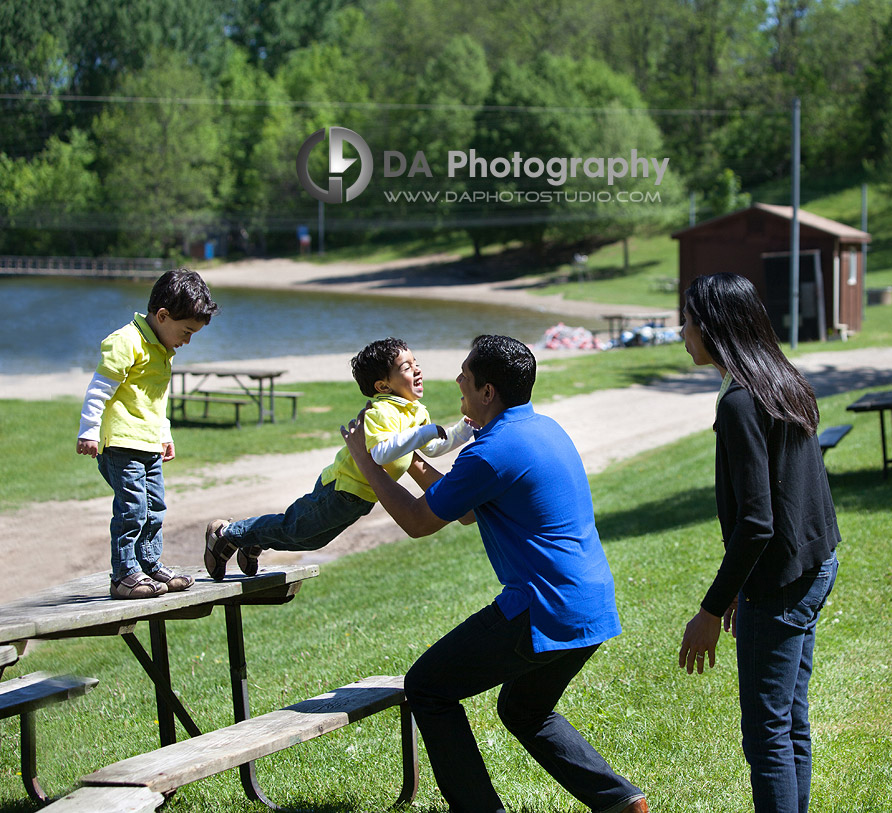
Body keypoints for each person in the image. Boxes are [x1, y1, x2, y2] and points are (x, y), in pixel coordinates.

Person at [339, 334, 648, 813]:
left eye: (465, 373)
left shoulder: (491, 450)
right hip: (591, 604)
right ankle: (620, 802)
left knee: (428, 686)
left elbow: (420, 523)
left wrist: (366, 462)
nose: (457, 379)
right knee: (524, 710)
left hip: (543, 608)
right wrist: (415, 463)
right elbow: (464, 510)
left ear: (487, 392)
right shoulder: (543, 429)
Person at [677, 273, 841, 813]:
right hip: (814, 567)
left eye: (688, 318)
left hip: (781, 583)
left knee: (767, 735)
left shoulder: (741, 404)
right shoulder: (783, 379)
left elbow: (755, 524)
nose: (684, 330)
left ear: (713, 326)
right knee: (790, 722)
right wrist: (736, 592)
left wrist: (710, 607)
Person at [203, 337, 472, 580]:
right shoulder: (381, 412)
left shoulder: (415, 411)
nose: (417, 369)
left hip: (362, 498)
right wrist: (422, 433)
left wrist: (465, 428)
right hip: (340, 488)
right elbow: (380, 453)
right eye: (406, 367)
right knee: (296, 529)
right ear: (383, 385)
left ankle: (254, 538)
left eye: (416, 363)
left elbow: (434, 447)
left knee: (311, 540)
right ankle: (226, 533)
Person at [76, 268, 219, 600]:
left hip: (148, 443)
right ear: (163, 315)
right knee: (132, 509)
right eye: (186, 331)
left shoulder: (161, 349)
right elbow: (98, 390)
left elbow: (155, 400)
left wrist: (164, 435)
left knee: (155, 507)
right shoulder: (126, 342)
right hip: (122, 444)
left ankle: (149, 564)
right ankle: (124, 574)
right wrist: (89, 431)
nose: (187, 341)